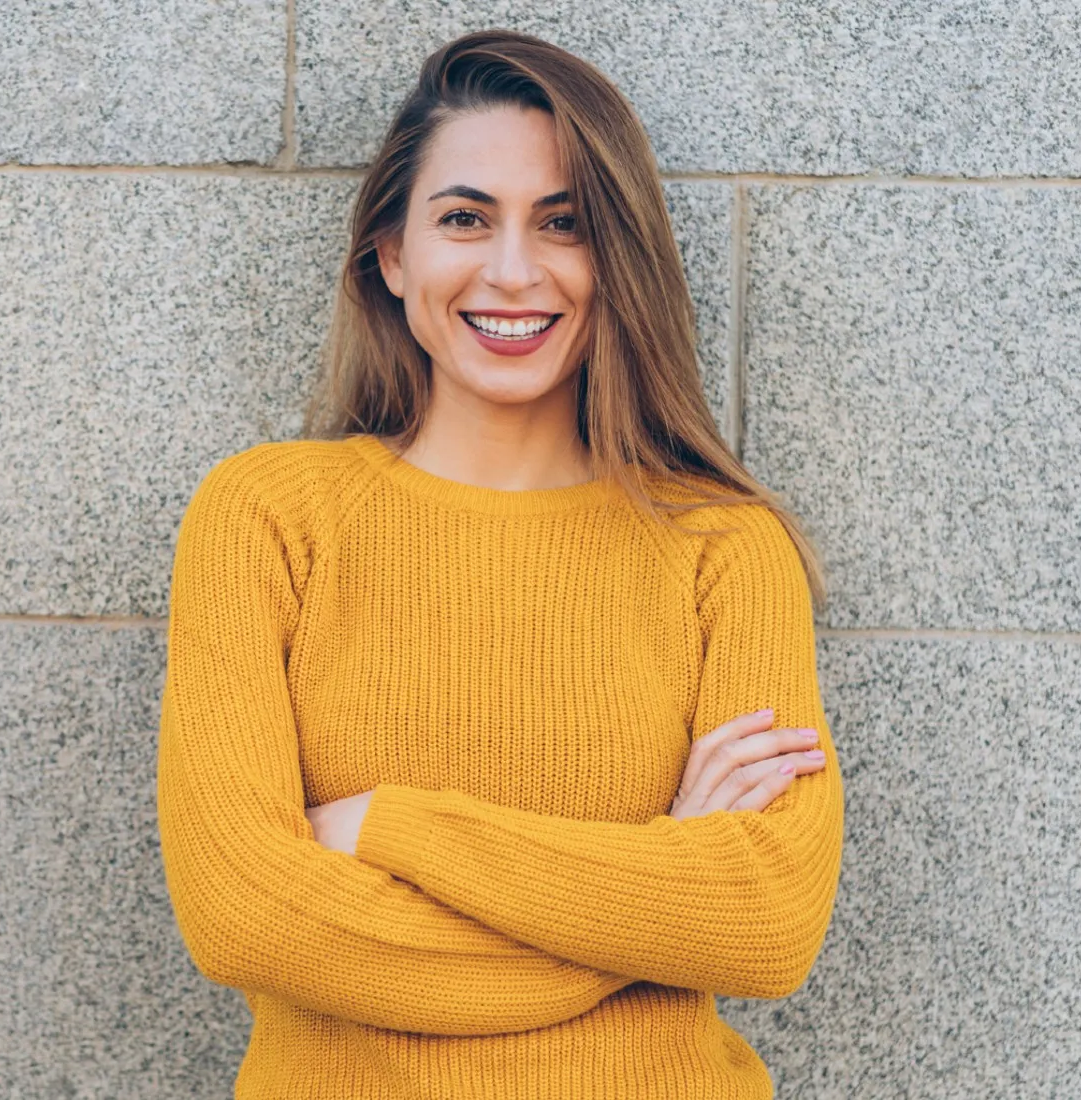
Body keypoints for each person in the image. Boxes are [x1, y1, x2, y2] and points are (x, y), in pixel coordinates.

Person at [155, 28, 844, 1099]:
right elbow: (247, 917)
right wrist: (655, 895)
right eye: (465, 218)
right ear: (392, 255)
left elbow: (765, 922)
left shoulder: (723, 547)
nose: (514, 271)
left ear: (617, 262)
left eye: (564, 224)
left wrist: (391, 825)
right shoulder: (269, 518)